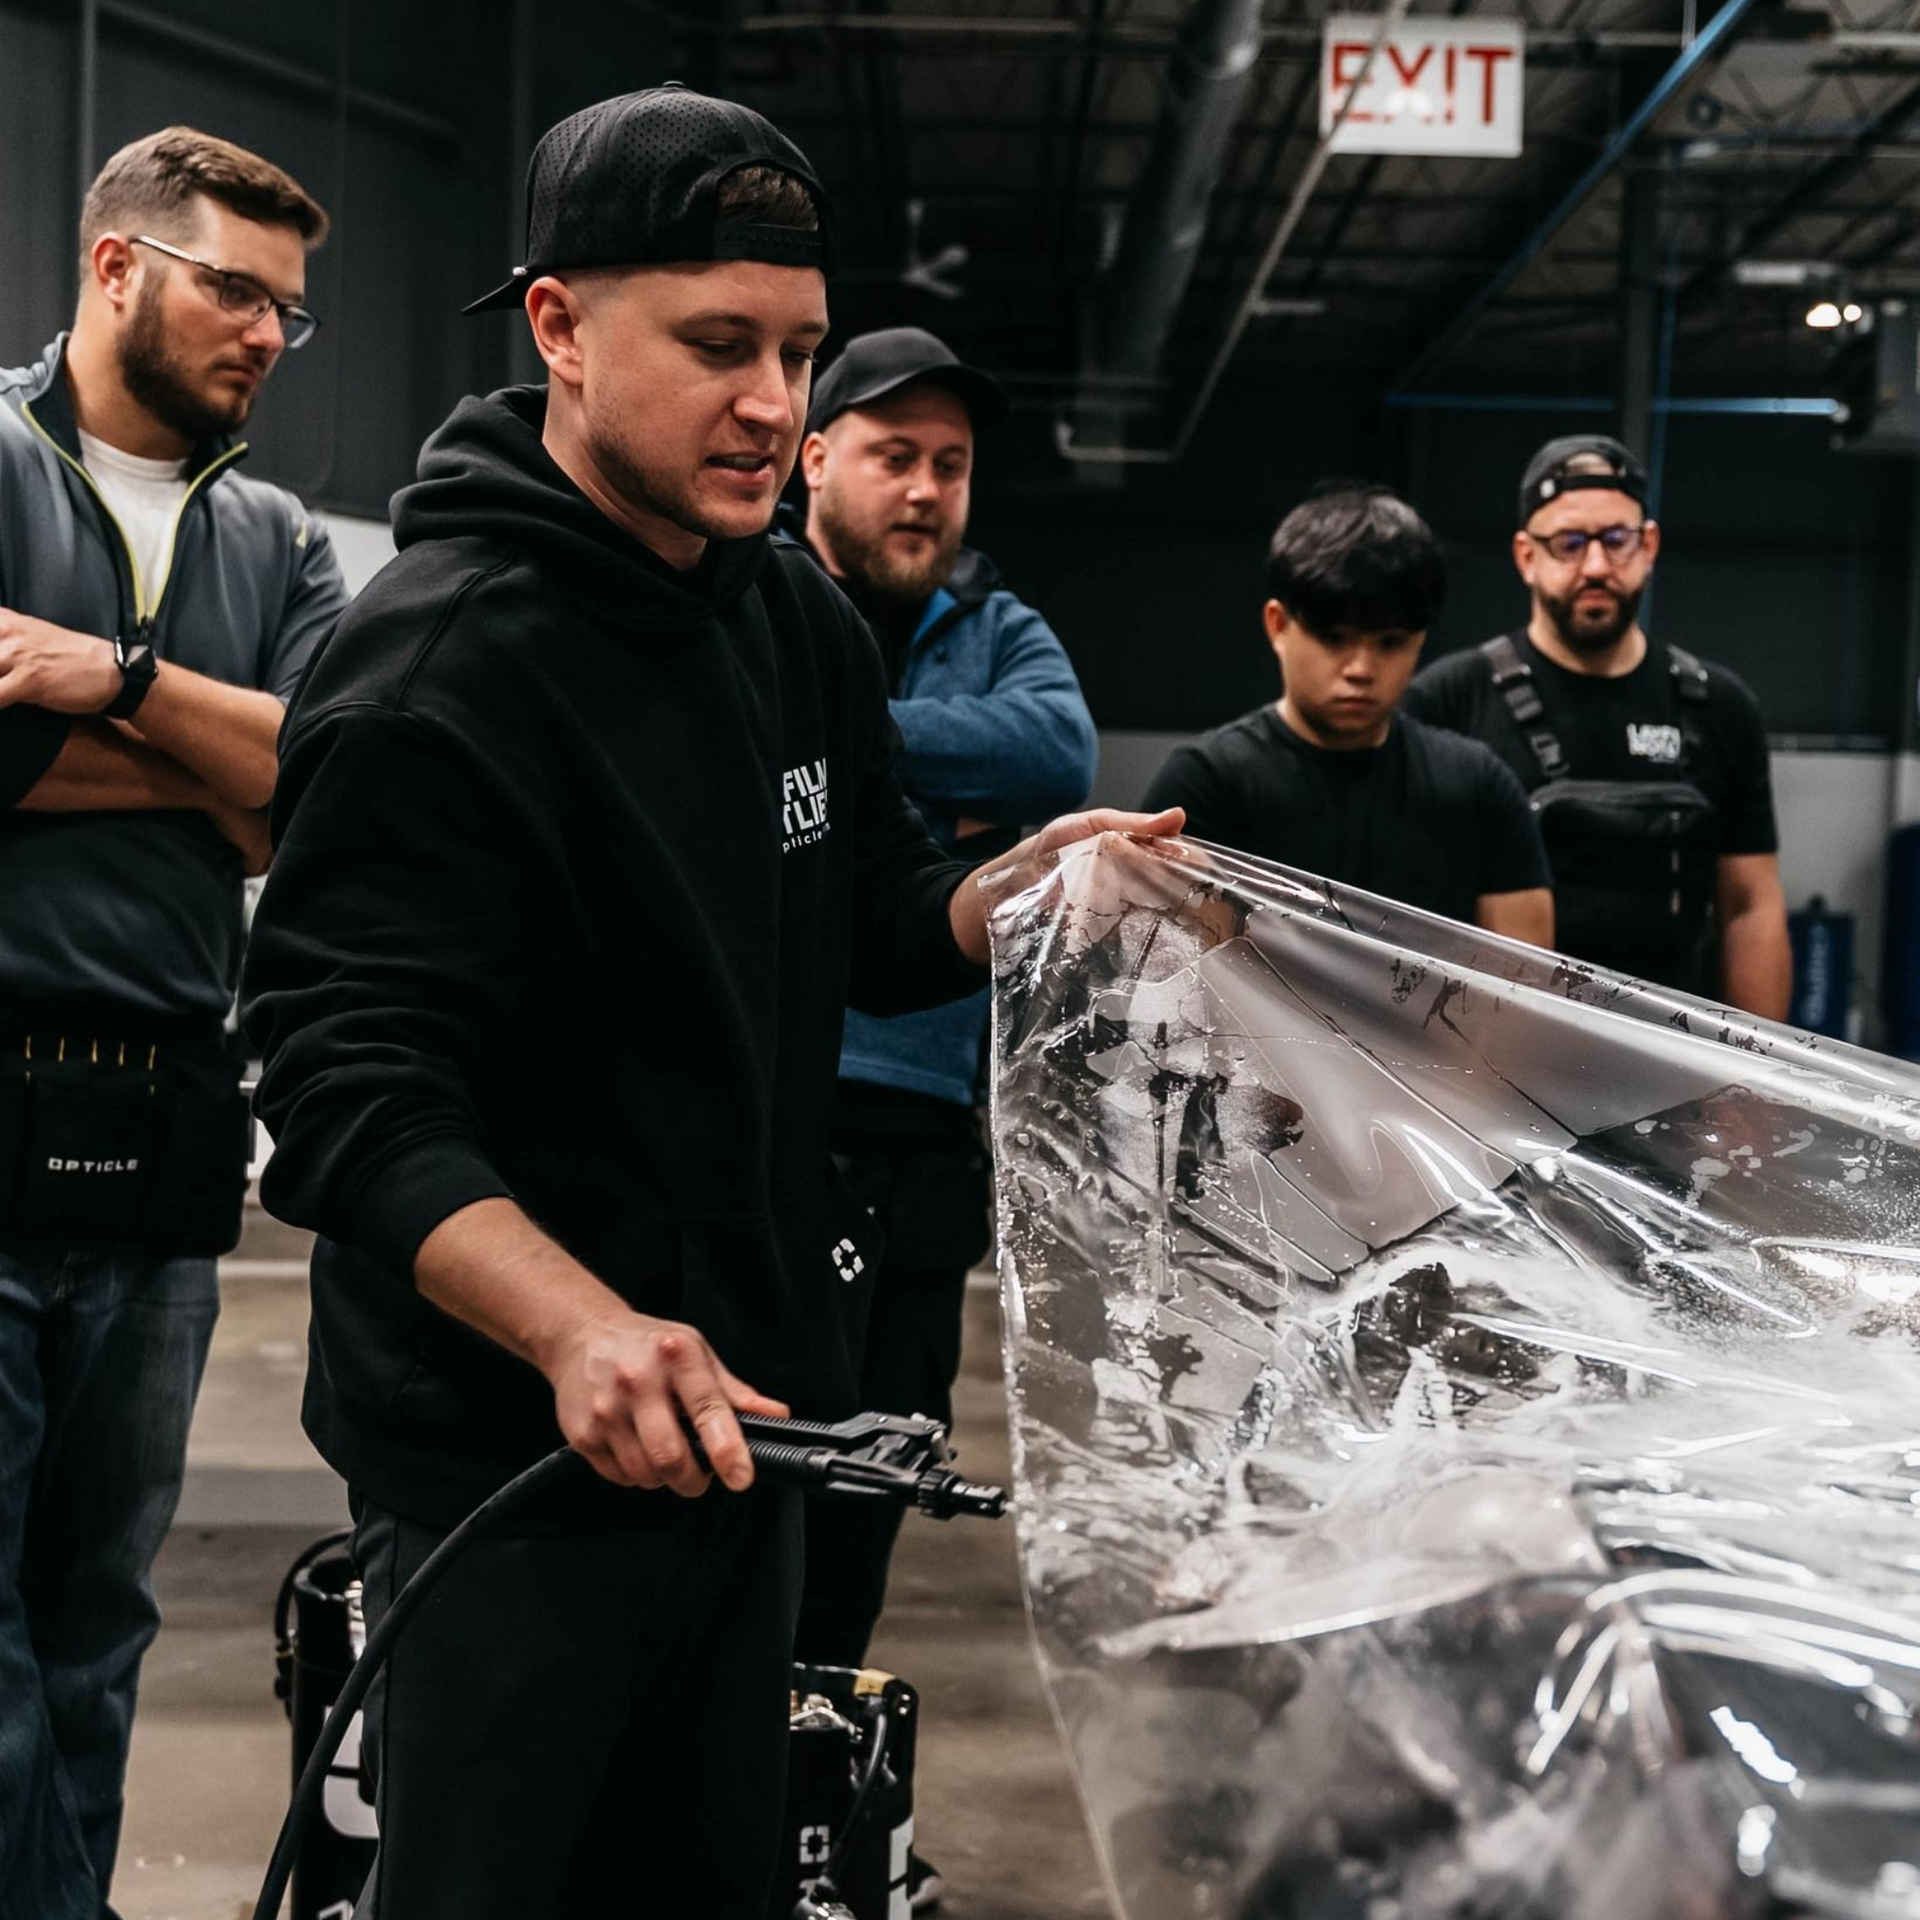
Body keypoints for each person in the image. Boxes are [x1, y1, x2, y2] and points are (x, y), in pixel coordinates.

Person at [240, 86, 1177, 1920]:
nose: (777, 405)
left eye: (801, 353)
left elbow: (875, 913)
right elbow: (346, 1090)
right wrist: (582, 1326)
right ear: (562, 326)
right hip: (512, 1458)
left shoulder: (782, 619)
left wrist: (1011, 897)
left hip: (750, 1418)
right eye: (720, 347)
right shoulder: (433, 673)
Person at [0, 128, 343, 1920]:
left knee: (98, 1616)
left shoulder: (280, 538)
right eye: (237, 288)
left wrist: (107, 683)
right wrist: (205, 763)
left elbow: (325, 804)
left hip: (168, 1136)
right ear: (119, 267)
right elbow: (254, 785)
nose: (271, 334)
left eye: (292, 308)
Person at [787, 325, 1097, 1911]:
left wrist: (833, 749)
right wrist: (920, 789)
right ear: (812, 453)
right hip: (772, 1116)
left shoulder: (993, 624)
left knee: (874, 1473)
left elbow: (1057, 750)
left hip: (924, 1131)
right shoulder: (751, 592)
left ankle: (801, 1803)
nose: (923, 487)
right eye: (892, 452)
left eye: (951, 463)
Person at [1403, 436, 1789, 1013]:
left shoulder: (1721, 706)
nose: (1596, 566)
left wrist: (1754, 1089)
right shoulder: (1450, 700)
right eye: (1569, 543)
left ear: (1649, 545)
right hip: (1500, 1056)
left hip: (1677, 1058)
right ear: (1526, 555)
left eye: (1617, 540)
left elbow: (1750, 906)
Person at [1144, 484, 1553, 945]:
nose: (1361, 669)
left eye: (1391, 643)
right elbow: (1172, 977)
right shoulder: (1205, 785)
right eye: (1335, 638)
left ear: (1420, 640)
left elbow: (1526, 989)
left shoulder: (1479, 787)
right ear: (1279, 625)